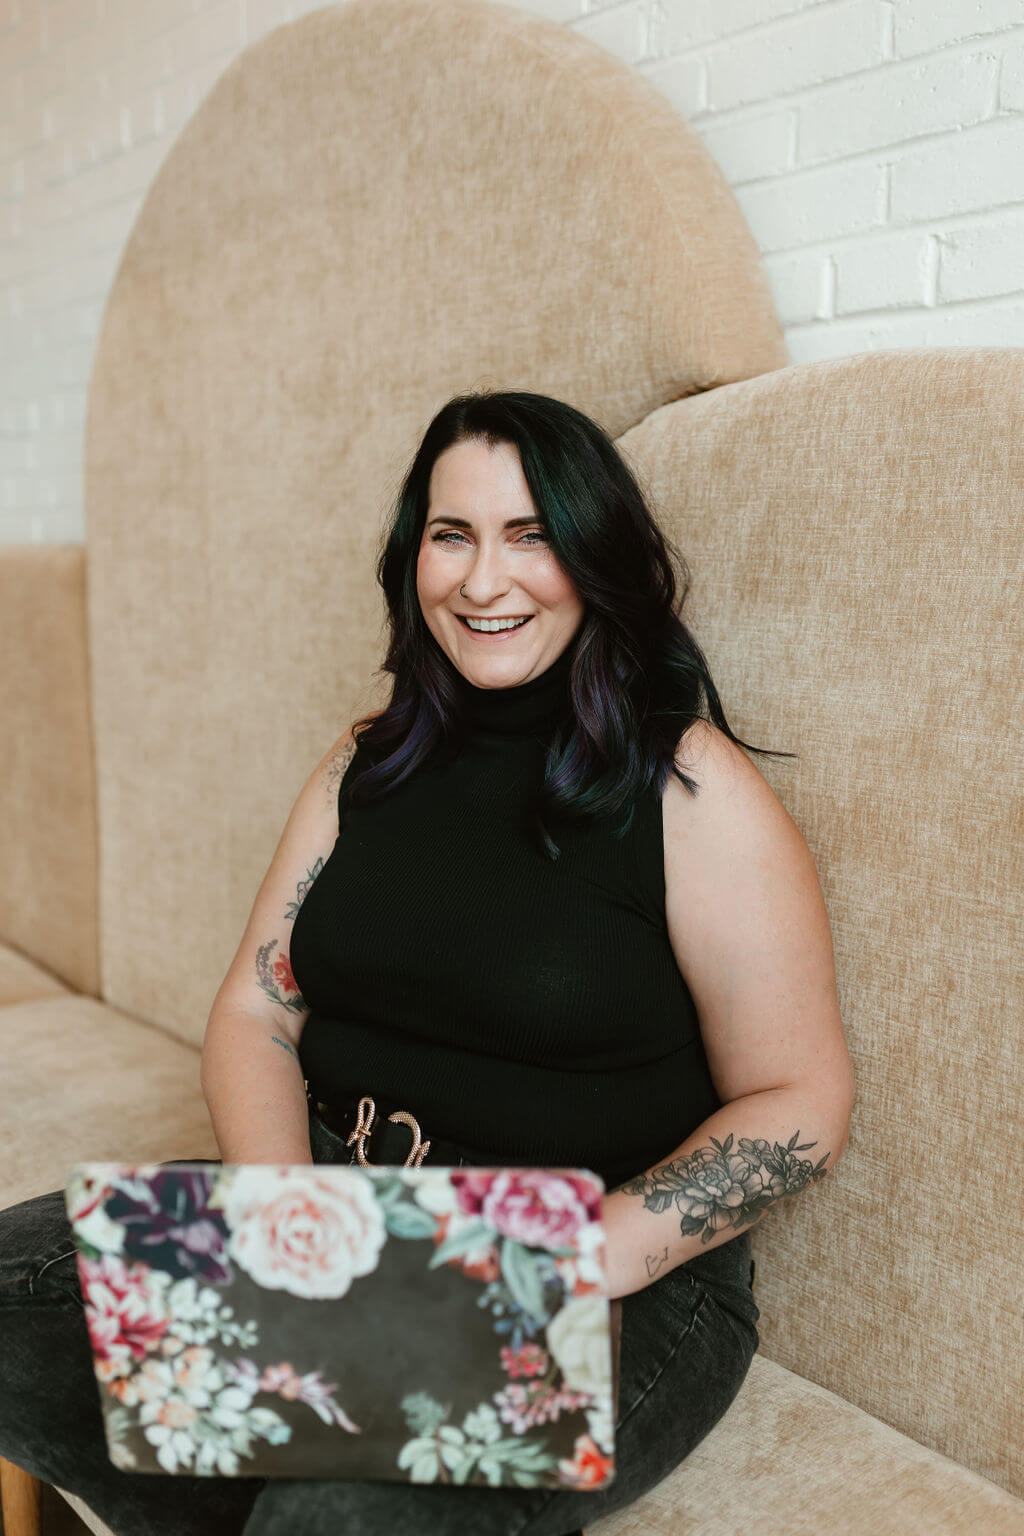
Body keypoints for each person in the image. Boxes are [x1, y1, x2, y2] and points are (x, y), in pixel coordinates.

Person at [0, 390, 854, 1536]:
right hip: (346, 1212)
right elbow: (257, 1009)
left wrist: (567, 1261)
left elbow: (801, 1099)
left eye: (530, 536)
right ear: (414, 560)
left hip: (599, 1267)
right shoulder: (366, 765)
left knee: (335, 1513)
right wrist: (281, 1222)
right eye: (452, 536)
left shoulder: (685, 786)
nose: (482, 580)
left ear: (594, 558)